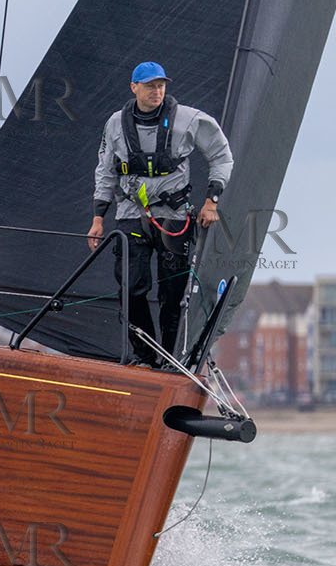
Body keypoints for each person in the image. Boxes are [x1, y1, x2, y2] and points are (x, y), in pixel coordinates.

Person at [87, 62, 234, 362]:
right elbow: (104, 171)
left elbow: (221, 155)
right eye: (150, 85)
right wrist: (98, 217)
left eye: (161, 85)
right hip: (130, 213)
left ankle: (170, 356)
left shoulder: (189, 119)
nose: (157, 91)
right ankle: (145, 354)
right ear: (134, 87)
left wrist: (212, 201)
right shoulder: (115, 124)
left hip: (174, 216)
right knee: (131, 287)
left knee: (173, 292)